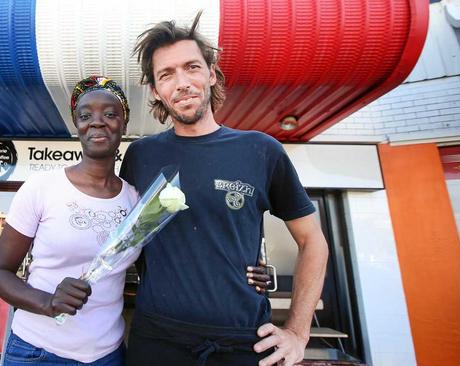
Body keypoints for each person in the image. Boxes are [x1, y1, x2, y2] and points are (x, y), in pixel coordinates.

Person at [120, 12, 329, 366]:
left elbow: (313, 241)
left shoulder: (261, 150)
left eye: (192, 67)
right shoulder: (141, 156)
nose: (182, 82)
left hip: (243, 345)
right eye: (166, 75)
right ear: (156, 90)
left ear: (211, 74)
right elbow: (127, 243)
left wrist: (297, 332)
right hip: (156, 341)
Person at [0, 76, 137, 365]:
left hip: (108, 354)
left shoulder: (135, 199)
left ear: (124, 124)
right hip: (38, 351)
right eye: (85, 115)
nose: (97, 122)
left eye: (110, 114)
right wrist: (47, 302)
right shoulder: (42, 186)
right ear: (77, 126)